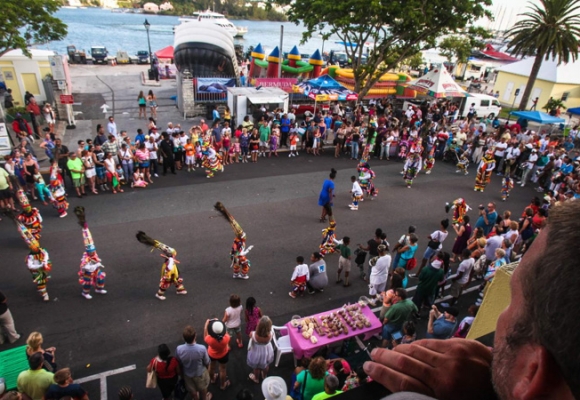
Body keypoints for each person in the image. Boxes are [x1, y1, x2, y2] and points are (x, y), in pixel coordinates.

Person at [136, 231, 186, 300]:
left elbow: (159, 245)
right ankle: (159, 294)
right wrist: (170, 267)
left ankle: (180, 289)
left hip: (173, 268)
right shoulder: (170, 261)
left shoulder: (170, 255)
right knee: (166, 282)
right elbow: (169, 268)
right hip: (169, 271)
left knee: (177, 278)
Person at [74, 206, 107, 300]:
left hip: (96, 269)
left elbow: (97, 259)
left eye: (93, 251)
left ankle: (99, 289)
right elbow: (83, 267)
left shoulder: (94, 254)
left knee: (100, 277)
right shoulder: (86, 258)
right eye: (91, 252)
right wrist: (92, 266)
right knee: (87, 282)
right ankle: (85, 293)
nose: (93, 253)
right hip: (89, 272)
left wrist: (98, 263)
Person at [175, 326, 211, 400]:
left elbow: (178, 362)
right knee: (203, 389)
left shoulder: (179, 349)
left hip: (187, 375)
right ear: (195, 336)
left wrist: (181, 374)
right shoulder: (201, 348)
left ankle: (195, 397)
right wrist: (208, 371)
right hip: (200, 373)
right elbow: (207, 362)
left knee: (192, 391)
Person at [204, 319, 231, 391]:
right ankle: (223, 385)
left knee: (211, 367)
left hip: (212, 354)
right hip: (223, 354)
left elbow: (205, 336)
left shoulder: (209, 339)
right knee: (223, 369)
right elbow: (226, 332)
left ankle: (212, 379)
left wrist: (206, 326)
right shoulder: (226, 338)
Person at [247, 316, 274, 384]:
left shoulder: (253, 334)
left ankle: (256, 378)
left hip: (256, 352)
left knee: (256, 367)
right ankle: (264, 376)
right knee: (266, 365)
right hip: (266, 351)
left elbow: (250, 336)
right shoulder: (270, 334)